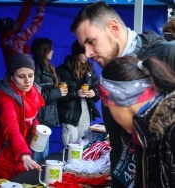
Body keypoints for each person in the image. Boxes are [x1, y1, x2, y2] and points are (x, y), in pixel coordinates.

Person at [69, 1, 175, 187]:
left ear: (114, 28)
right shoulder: (108, 78)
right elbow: (118, 145)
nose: (87, 53)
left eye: (91, 42)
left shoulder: (169, 55)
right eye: (82, 46)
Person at [99, 56, 175, 187]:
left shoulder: (170, 133)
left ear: (121, 101)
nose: (112, 115)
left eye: (108, 106)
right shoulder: (149, 131)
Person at [0, 53, 45, 186]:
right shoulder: (4, 100)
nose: (28, 81)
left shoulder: (31, 93)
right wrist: (24, 154)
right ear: (12, 78)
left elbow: (27, 117)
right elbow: (11, 127)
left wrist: (35, 126)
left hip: (16, 153)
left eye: (30, 75)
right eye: (21, 76)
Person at [56, 40, 100, 147]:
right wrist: (76, 93)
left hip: (85, 110)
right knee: (71, 145)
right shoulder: (61, 70)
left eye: (89, 53)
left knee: (83, 144)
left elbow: (98, 89)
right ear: (76, 53)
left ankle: (78, 164)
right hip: (69, 112)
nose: (88, 56)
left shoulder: (90, 69)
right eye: (84, 53)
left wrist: (93, 93)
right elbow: (57, 96)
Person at [30, 37, 67, 162]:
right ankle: (33, 179)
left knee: (42, 152)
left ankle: (37, 178)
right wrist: (58, 92)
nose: (53, 52)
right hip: (39, 117)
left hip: (46, 116)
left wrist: (60, 89)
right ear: (44, 51)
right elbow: (38, 97)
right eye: (50, 49)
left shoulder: (47, 67)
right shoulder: (35, 68)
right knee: (38, 154)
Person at [0, 0, 46, 69]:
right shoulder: (15, 40)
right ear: (12, 28)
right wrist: (41, 6)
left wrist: (28, 1)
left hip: (19, 72)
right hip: (21, 74)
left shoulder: (7, 37)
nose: (17, 22)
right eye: (14, 23)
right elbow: (34, 26)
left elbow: (22, 16)